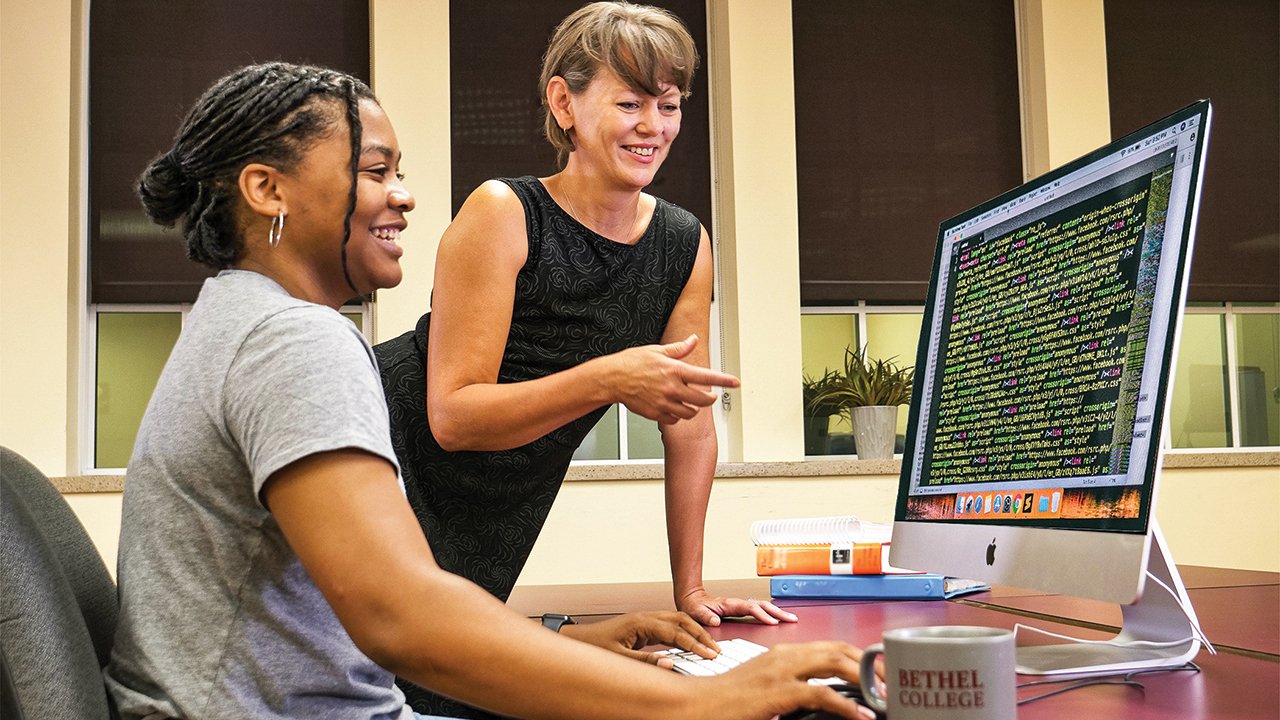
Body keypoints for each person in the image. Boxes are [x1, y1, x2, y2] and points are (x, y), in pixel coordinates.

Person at [103, 62, 878, 720]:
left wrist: (562, 641)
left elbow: (333, 617)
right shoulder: (291, 341)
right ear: (267, 189)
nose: (403, 196)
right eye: (376, 172)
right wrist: (702, 701)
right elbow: (399, 619)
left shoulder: (240, 320)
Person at [378, 7, 791, 709]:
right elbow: (453, 415)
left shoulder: (683, 243)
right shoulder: (503, 211)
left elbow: (688, 422)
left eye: (669, 105)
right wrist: (607, 376)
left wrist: (688, 590)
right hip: (394, 461)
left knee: (453, 685)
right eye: (629, 102)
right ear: (563, 103)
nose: (653, 126)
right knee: (397, 683)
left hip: (500, 508)